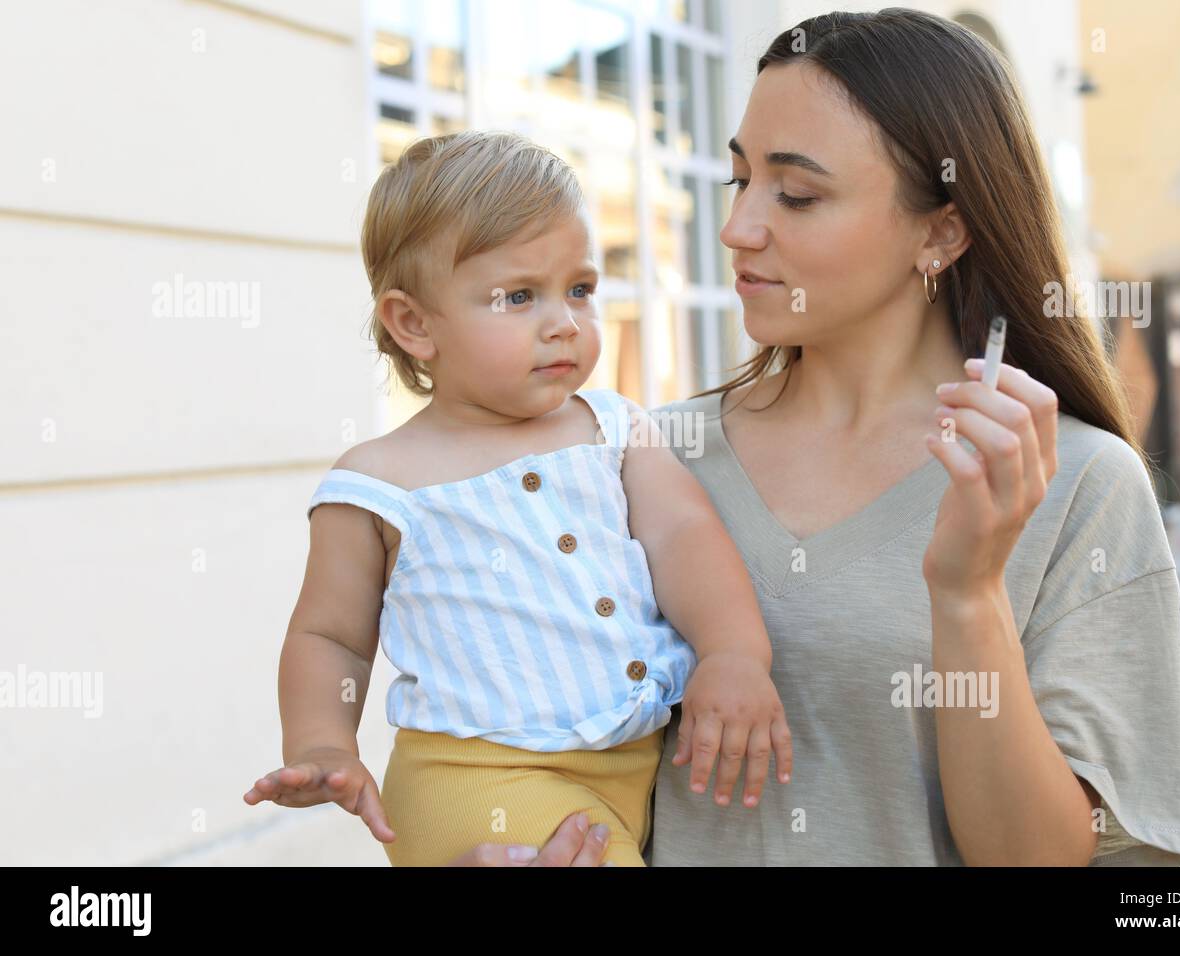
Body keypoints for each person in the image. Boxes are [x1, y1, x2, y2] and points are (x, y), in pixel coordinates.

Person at [461, 8, 1180, 867]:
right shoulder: (642, 457)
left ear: (941, 232)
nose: (739, 228)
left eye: (798, 194)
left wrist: (968, 595)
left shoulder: (1073, 483)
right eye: (740, 181)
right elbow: (538, 744)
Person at [242, 130, 793, 866]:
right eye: (520, 296)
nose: (564, 320)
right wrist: (322, 741)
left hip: (629, 768)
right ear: (414, 323)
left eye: (580, 290)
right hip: (475, 776)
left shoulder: (616, 429)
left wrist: (734, 653)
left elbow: (686, 537)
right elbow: (329, 636)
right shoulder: (379, 482)